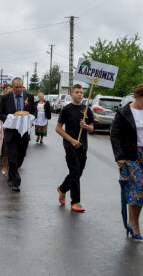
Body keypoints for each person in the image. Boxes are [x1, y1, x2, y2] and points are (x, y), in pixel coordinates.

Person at [111, 84, 143, 239]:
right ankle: (135, 223)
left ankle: (132, 221)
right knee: (138, 187)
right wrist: (119, 156)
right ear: (137, 96)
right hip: (130, 155)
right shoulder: (124, 113)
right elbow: (114, 134)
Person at [55, 84, 94, 212]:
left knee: (78, 172)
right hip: (70, 145)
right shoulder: (66, 109)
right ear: (71, 94)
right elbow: (58, 128)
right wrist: (71, 140)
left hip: (83, 145)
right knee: (75, 172)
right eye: (77, 92)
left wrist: (86, 126)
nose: (80, 94)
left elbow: (92, 128)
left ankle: (62, 188)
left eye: (82, 92)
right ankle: (75, 202)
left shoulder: (86, 109)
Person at [0, 77, 36, 192]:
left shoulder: (29, 97)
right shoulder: (5, 98)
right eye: (17, 87)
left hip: (24, 133)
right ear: (12, 87)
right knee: (12, 157)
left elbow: (34, 113)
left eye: (21, 87)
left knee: (20, 157)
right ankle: (16, 182)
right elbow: (0, 113)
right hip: (11, 132)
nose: (19, 89)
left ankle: (11, 175)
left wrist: (31, 118)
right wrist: (10, 119)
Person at [0, 83, 12, 174]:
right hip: (5, 128)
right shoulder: (3, 101)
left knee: (13, 150)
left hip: (14, 129)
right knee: (5, 149)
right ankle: (5, 165)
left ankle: (12, 166)